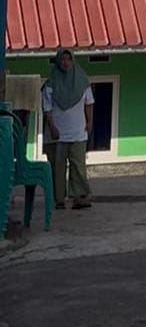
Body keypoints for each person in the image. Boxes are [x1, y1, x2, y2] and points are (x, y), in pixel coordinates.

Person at [42, 48, 95, 209]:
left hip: (78, 132)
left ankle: (79, 197)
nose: (65, 62)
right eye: (62, 59)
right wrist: (52, 127)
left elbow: (89, 104)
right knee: (57, 167)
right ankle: (59, 199)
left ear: (73, 61)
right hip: (57, 133)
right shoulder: (50, 84)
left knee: (78, 166)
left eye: (68, 59)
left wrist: (89, 122)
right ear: (58, 62)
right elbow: (47, 109)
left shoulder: (82, 81)